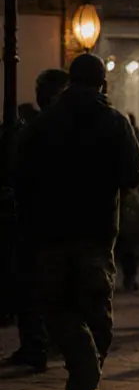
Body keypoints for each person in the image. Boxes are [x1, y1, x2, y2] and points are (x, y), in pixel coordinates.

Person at [14, 54, 139, 390]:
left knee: (55, 306)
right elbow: (134, 174)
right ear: (103, 83)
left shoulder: (43, 123)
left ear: (70, 80)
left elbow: (20, 173)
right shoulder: (115, 122)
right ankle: (87, 375)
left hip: (50, 230)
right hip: (96, 230)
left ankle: (82, 371)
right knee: (96, 309)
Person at [2, 69, 70, 371]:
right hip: (52, 216)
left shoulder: (45, 127)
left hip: (43, 216)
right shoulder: (61, 125)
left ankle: (39, 345)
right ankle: (41, 343)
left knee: (35, 284)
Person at [115, 113, 139, 294]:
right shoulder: (126, 138)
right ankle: (129, 277)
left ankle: (129, 276)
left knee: (126, 241)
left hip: (123, 198)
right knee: (125, 241)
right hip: (123, 197)